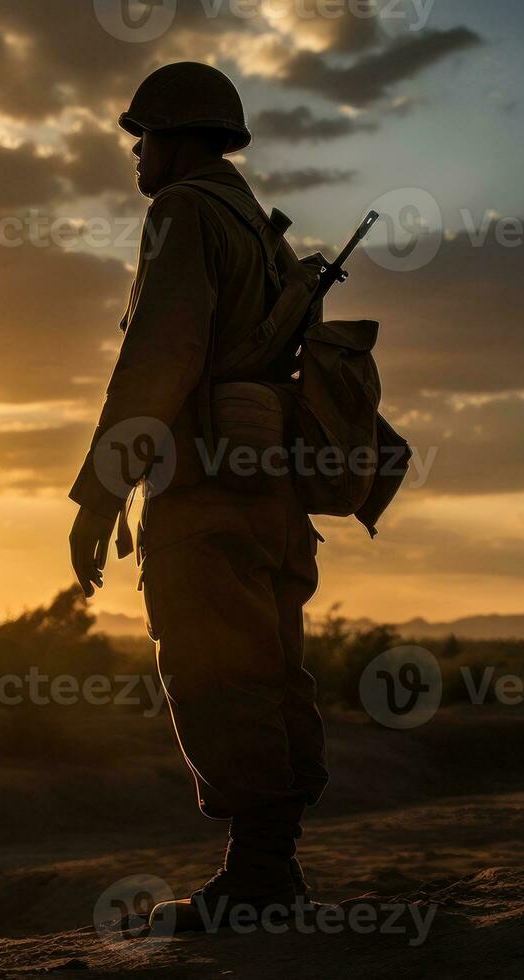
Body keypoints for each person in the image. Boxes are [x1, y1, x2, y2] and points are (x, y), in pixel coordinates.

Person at [67, 61, 326, 930]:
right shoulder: (259, 228)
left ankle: (258, 881)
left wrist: (101, 495)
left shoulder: (182, 211)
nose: (136, 155)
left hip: (208, 490)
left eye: (143, 136)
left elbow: (158, 356)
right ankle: (268, 869)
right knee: (268, 670)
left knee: (216, 674)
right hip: (272, 498)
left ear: (178, 137)